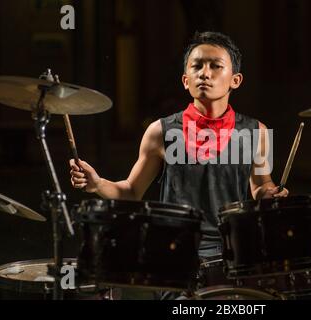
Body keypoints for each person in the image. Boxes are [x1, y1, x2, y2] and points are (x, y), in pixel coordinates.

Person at [70, 31, 289, 294]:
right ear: (186, 80)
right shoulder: (161, 132)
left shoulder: (258, 132)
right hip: (176, 251)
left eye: (215, 66)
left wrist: (271, 194)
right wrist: (97, 184)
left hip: (234, 251)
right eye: (196, 66)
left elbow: (261, 185)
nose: (204, 73)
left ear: (235, 80)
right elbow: (130, 191)